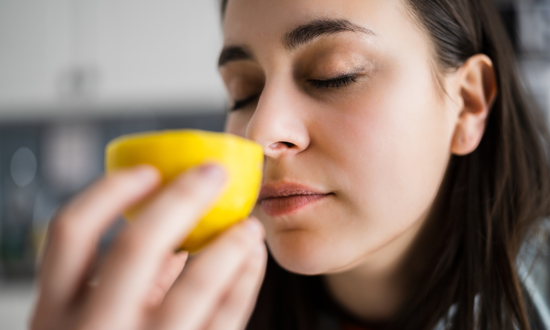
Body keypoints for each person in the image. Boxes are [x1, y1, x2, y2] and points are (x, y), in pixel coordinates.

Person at [30, 0, 550, 329]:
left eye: (333, 75)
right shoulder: (186, 315)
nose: (260, 131)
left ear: (469, 105)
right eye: (244, 92)